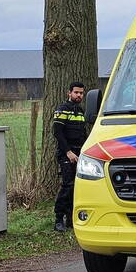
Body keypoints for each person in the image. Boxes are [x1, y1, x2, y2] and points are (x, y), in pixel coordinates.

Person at [53, 82, 88, 231]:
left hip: (79, 154)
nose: (79, 95)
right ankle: (58, 219)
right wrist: (68, 152)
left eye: (81, 93)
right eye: (76, 92)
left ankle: (71, 218)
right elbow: (58, 133)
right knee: (67, 186)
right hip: (66, 153)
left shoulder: (80, 111)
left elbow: (83, 134)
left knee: (78, 187)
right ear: (69, 93)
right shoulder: (62, 109)